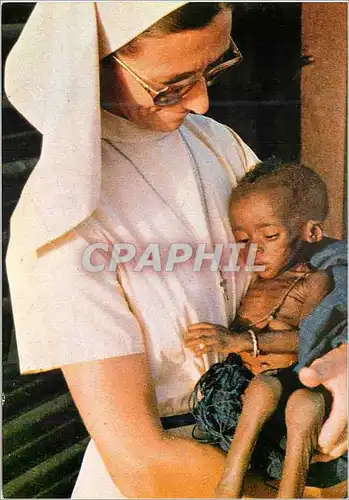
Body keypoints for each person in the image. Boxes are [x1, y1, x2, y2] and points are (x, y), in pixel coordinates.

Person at [4, 3, 347, 498]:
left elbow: (317, 277)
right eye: (172, 85)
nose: (203, 102)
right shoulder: (64, 221)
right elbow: (142, 462)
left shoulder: (218, 146)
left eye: (215, 66)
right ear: (93, 63)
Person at [184, 160, 347, 498]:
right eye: (243, 240)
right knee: (261, 390)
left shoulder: (313, 280)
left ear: (311, 233)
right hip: (257, 384)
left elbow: (310, 338)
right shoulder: (257, 280)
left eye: (270, 236)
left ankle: (292, 491)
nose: (254, 251)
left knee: (306, 405)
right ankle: (230, 480)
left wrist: (240, 340)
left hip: (299, 379)